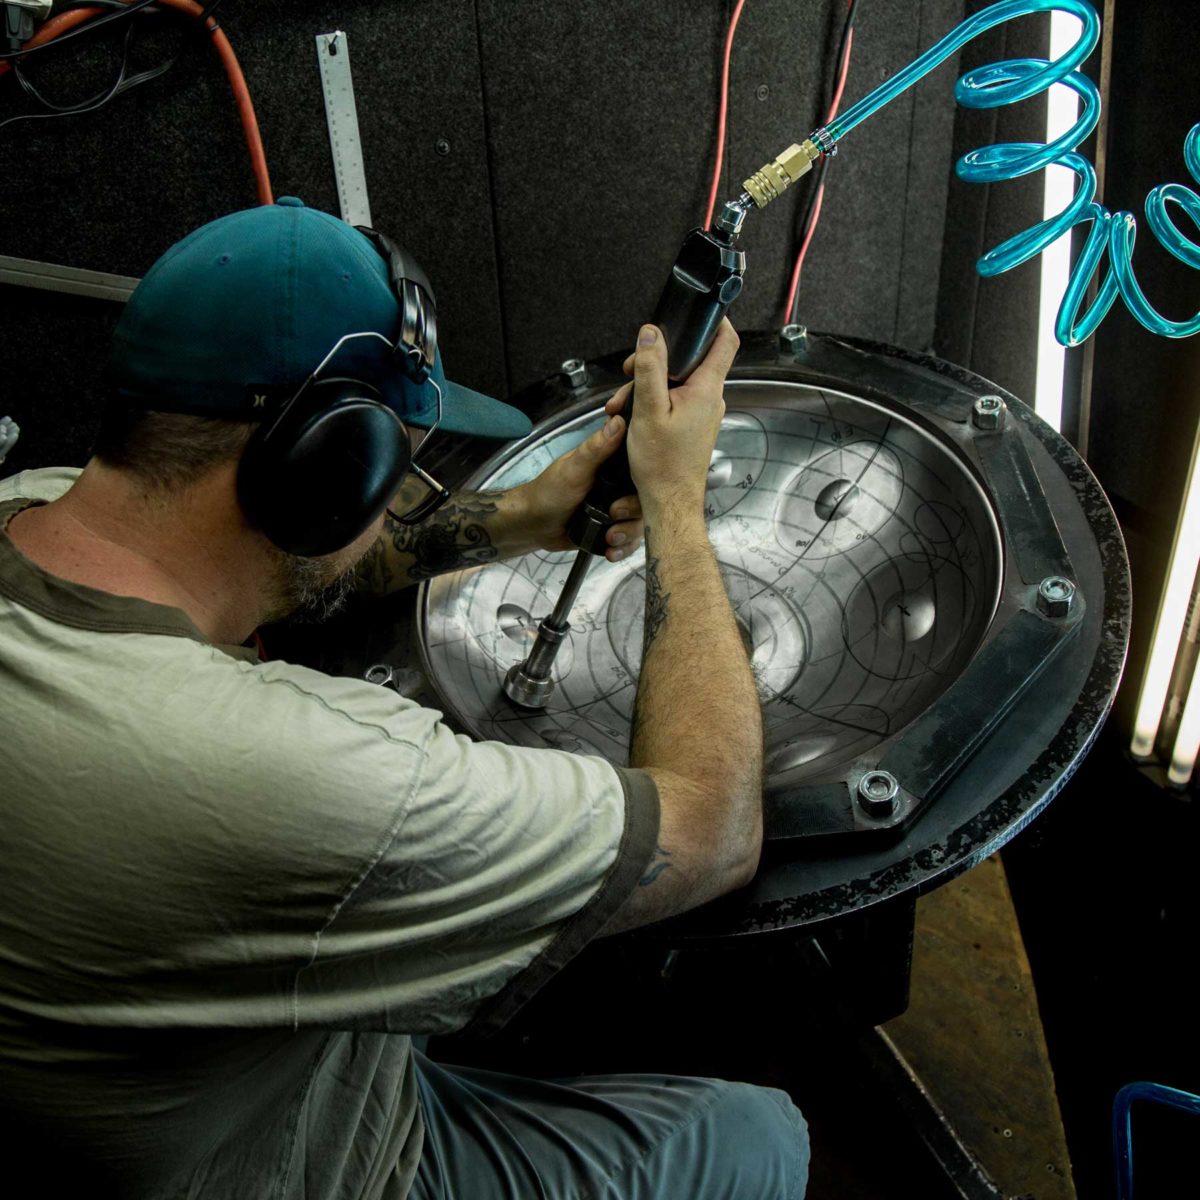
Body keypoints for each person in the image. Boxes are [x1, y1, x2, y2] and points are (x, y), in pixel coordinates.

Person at [0, 199, 809, 1199]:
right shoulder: (308, 776)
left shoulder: (33, 505)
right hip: (314, 1162)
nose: (403, 488)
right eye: (394, 463)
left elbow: (284, 561)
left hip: (178, 1095)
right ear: (322, 472)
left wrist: (523, 518)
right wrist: (679, 504)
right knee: (756, 1132)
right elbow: (713, 831)